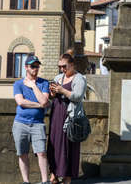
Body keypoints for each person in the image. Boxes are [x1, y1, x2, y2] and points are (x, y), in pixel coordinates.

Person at [47, 53, 87, 184]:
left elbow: (78, 96)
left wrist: (62, 90)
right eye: (60, 67)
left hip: (70, 116)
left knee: (68, 145)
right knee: (55, 143)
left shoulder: (79, 78)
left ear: (72, 64)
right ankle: (54, 173)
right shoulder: (58, 77)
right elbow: (52, 97)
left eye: (64, 66)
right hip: (57, 113)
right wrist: (52, 93)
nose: (62, 69)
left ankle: (67, 177)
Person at [12, 55, 50, 184]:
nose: (36, 68)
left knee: (41, 153)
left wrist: (33, 86)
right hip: (20, 123)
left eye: (37, 66)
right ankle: (26, 181)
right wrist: (39, 105)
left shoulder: (44, 83)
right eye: (33, 66)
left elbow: (45, 100)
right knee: (22, 154)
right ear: (26, 67)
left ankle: (45, 181)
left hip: (38, 123)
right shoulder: (18, 84)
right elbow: (21, 102)